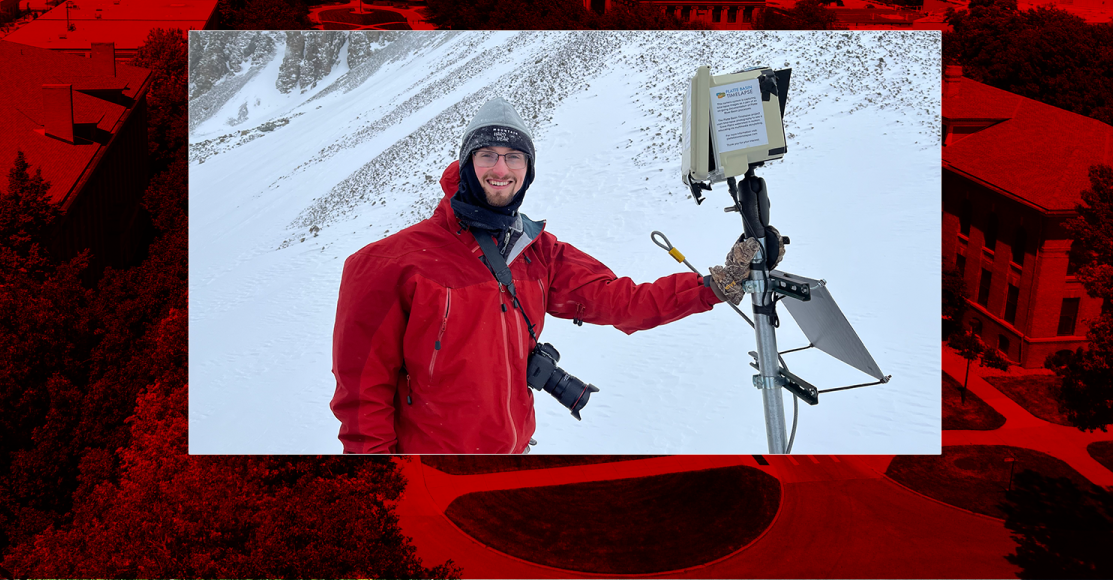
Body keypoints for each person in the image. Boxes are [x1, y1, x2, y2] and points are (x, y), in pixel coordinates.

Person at [331, 97, 778, 454]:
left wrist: (713, 285)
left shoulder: (536, 252)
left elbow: (622, 302)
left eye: (513, 158)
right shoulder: (390, 263)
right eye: (487, 155)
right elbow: (362, 396)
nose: (500, 169)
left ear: (527, 172)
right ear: (468, 164)